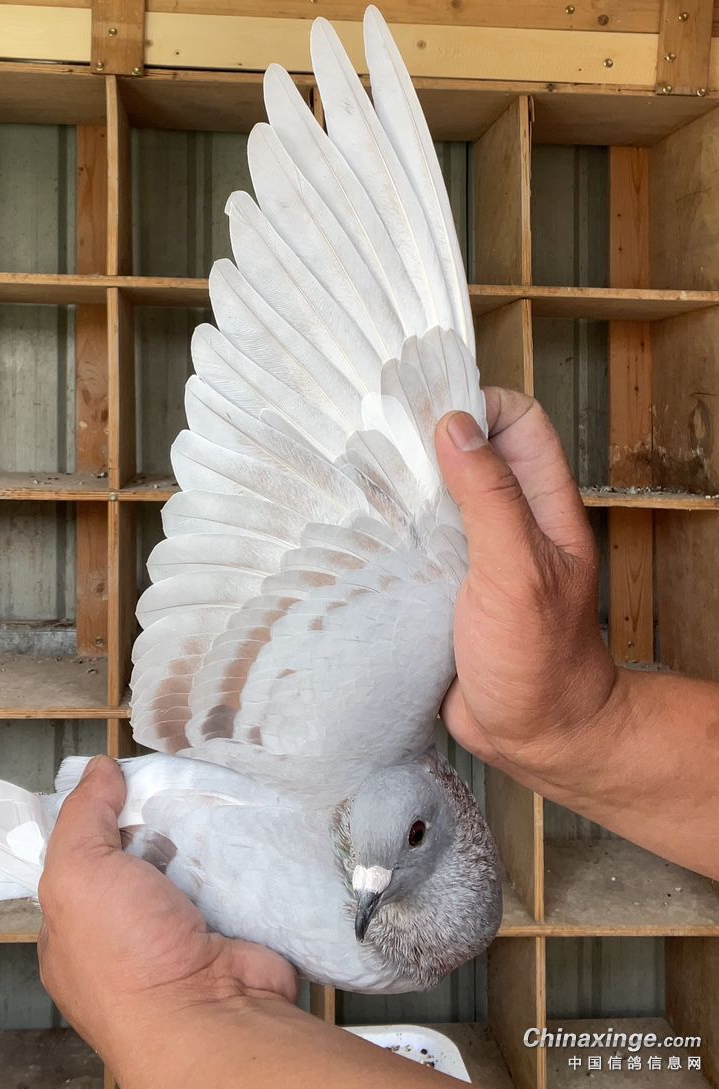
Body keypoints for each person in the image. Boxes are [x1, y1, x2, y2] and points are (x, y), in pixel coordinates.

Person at [38, 388, 719, 1089]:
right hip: (148, 820)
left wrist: (169, 1012)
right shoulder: (357, 910)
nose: (367, 896)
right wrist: (583, 720)